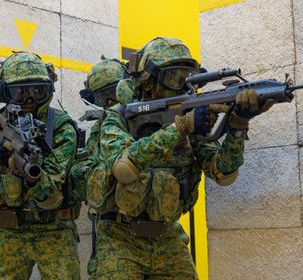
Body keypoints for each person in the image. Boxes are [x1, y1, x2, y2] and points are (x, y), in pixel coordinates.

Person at [85, 37, 274, 279]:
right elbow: (124, 166)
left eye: (187, 75)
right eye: (174, 76)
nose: (182, 83)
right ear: (149, 81)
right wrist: (180, 127)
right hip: (119, 237)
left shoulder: (191, 120)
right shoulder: (118, 117)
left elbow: (223, 173)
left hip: (168, 236)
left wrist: (238, 125)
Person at [0, 51, 81, 279]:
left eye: (37, 91)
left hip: (54, 232)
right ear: (6, 92)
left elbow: (50, 192)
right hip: (9, 233)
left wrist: (30, 174)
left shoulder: (62, 128)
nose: (29, 99)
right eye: (20, 91)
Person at [69, 57, 130, 278]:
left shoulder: (148, 118)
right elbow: (82, 172)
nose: (110, 101)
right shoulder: (100, 128)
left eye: (115, 92)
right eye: (102, 97)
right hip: (115, 226)